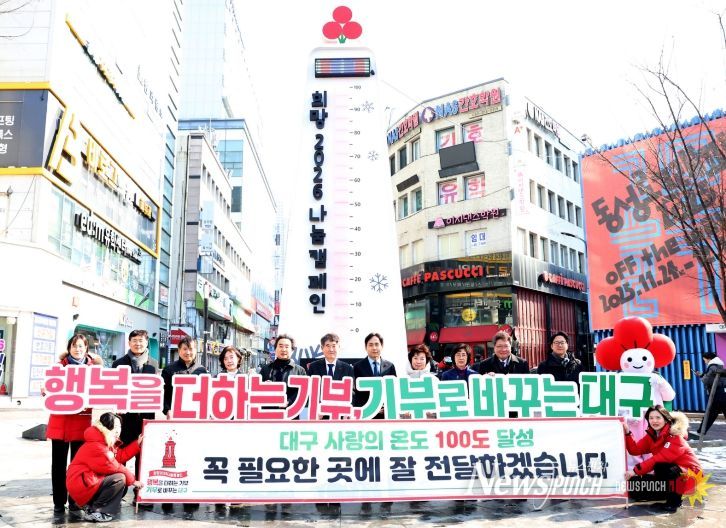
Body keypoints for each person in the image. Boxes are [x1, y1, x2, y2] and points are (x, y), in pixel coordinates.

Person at [47, 334, 103, 517]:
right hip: (60, 423)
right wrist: (46, 390)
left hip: (81, 423)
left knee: (78, 467)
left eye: (81, 346)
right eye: (74, 346)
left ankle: (75, 501)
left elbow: (102, 391)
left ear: (86, 349)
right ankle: (58, 502)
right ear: (69, 348)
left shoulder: (94, 370)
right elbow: (47, 389)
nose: (77, 349)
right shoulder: (59, 367)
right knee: (58, 466)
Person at [66, 412, 143, 522]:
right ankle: (97, 511)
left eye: (120, 426)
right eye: (115, 426)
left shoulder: (103, 440)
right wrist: (133, 481)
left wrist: (136, 444)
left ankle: (91, 507)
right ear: (106, 427)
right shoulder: (98, 445)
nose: (118, 430)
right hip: (82, 484)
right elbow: (114, 466)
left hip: (86, 482)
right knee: (119, 479)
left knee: (120, 479)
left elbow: (120, 456)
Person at [623, 405, 702, 512]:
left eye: (658, 417)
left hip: (691, 477)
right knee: (634, 486)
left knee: (662, 467)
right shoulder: (652, 435)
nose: (654, 421)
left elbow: (660, 458)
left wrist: (634, 471)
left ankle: (674, 502)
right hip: (670, 477)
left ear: (665, 419)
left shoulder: (676, 436)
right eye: (651, 418)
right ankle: (667, 494)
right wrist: (627, 433)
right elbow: (635, 450)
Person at [111, 328, 158, 503]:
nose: (138, 344)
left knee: (143, 457)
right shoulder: (119, 364)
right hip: (124, 419)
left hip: (145, 419)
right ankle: (117, 494)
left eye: (141, 340)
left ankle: (140, 495)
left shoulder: (154, 365)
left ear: (147, 343)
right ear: (129, 343)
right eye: (135, 340)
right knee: (120, 457)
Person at [162, 337, 208, 418]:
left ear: (195, 350)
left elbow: (206, 394)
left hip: (196, 414)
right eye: (185, 349)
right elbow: (164, 392)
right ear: (179, 350)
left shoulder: (202, 370)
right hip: (175, 414)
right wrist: (167, 409)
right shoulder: (169, 369)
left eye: (191, 349)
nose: (188, 352)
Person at [353, 333, 397, 416]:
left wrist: (388, 406)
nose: (374, 348)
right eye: (370, 345)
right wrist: (370, 408)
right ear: (365, 347)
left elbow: (393, 390)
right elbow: (355, 392)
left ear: (382, 346)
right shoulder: (357, 367)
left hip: (386, 413)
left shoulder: (390, 366)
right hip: (366, 412)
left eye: (377, 344)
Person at [260, 334, 306, 408]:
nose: (283, 349)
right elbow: (256, 390)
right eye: (280, 346)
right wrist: (264, 386)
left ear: (292, 350)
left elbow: (304, 391)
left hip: (291, 411)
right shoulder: (266, 369)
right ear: (275, 349)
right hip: (268, 411)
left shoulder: (300, 371)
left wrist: (289, 401)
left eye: (287, 347)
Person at [693, 351, 726, 436]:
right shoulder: (719, 365)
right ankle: (700, 431)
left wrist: (701, 376)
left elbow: (706, 380)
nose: (705, 362)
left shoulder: (712, 366)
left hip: (717, 394)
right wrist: (702, 375)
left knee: (710, 414)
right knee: (711, 414)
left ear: (709, 359)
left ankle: (700, 432)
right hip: (722, 393)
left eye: (705, 360)